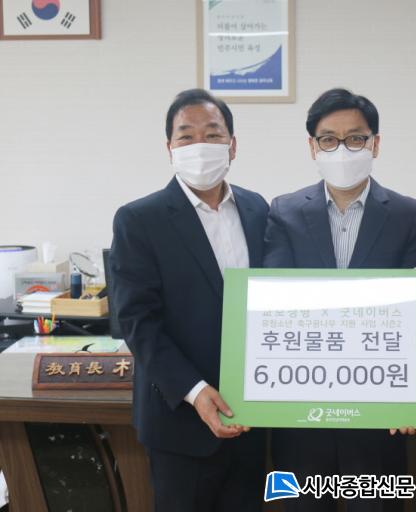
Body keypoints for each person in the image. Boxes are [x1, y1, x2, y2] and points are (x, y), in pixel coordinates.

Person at [264, 88, 416, 511]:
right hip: (301, 420)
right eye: (329, 139)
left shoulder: (409, 214)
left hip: (381, 421)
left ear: (375, 143)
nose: (342, 149)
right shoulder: (283, 212)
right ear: (312, 147)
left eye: (355, 138)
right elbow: (275, 305)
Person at [109, 88, 268, 512]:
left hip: (252, 417)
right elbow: (137, 322)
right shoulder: (139, 219)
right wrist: (195, 392)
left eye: (213, 134)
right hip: (180, 422)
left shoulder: (257, 209)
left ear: (232, 145)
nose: (200, 145)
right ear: (170, 148)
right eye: (186, 136)